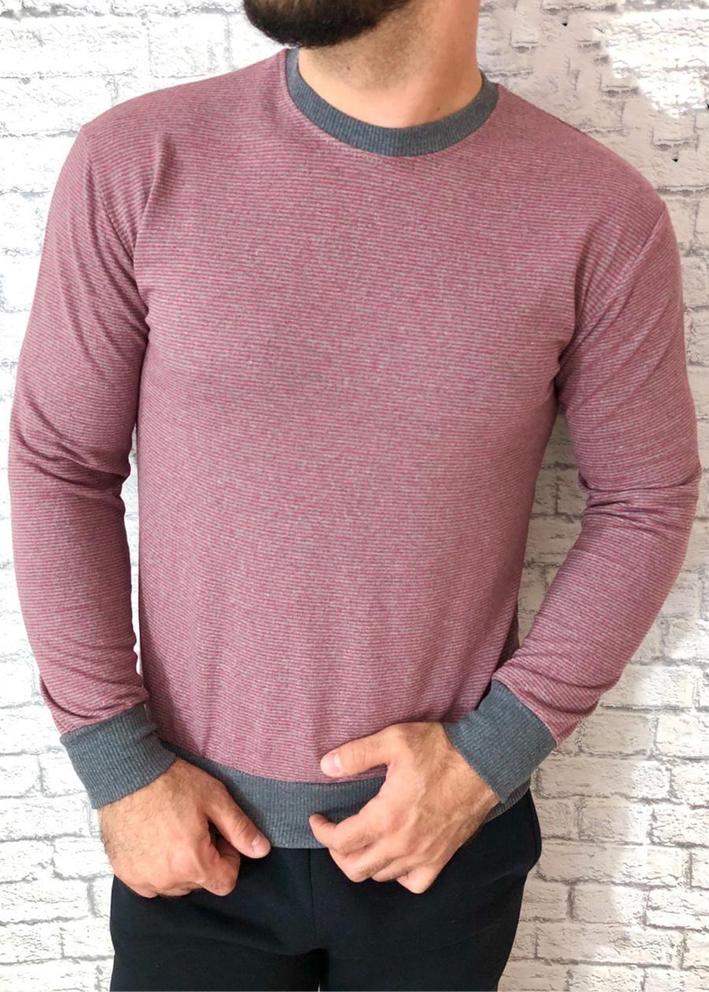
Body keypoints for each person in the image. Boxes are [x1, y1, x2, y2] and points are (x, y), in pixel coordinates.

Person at [7, 0, 700, 989]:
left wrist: (491, 753)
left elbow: (644, 498)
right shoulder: (141, 161)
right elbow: (62, 464)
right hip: (189, 840)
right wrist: (118, 766)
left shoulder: (596, 212)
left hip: (442, 843)